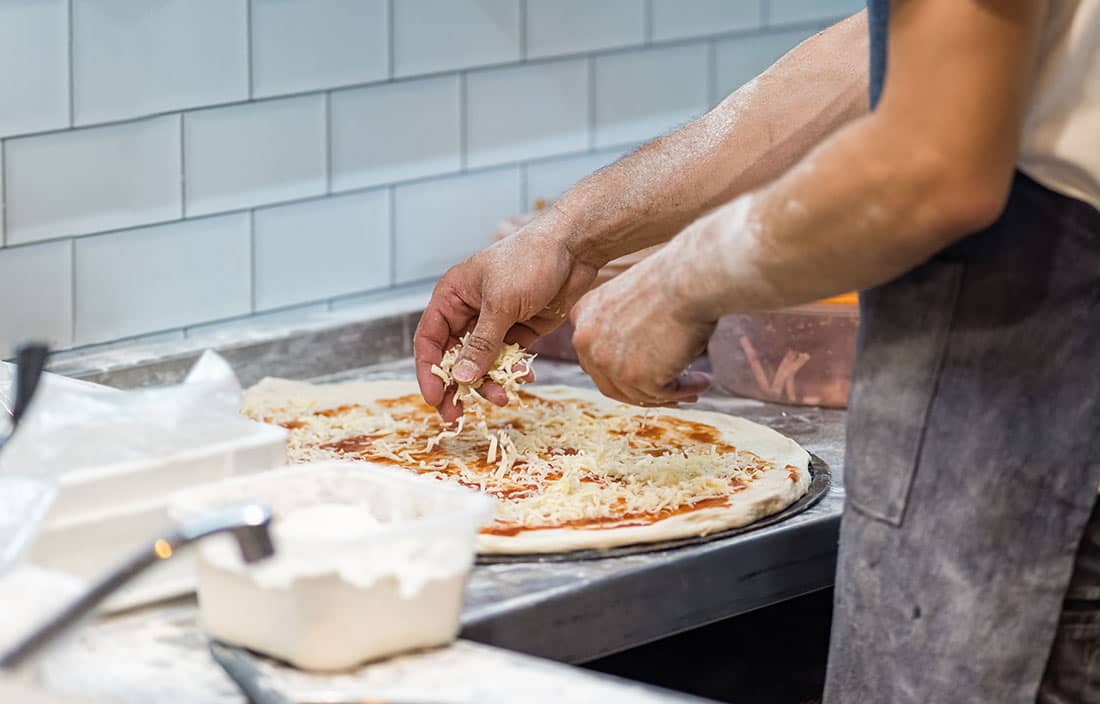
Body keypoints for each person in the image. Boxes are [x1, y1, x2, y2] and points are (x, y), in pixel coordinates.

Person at [414, 1, 1100, 700]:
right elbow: (880, 60)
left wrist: (679, 283)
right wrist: (567, 234)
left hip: (1055, 459)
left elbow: (932, 163)